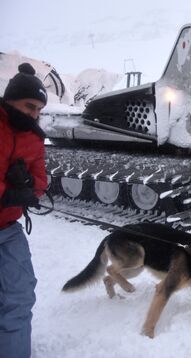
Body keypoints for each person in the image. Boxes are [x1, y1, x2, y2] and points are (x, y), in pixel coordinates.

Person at [0, 63, 48, 358]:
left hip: (7, 230)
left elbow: (41, 181)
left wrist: (29, 185)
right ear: (9, 99)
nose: (33, 115)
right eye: (29, 106)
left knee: (19, 295)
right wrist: (8, 192)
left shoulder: (34, 138)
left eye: (39, 110)